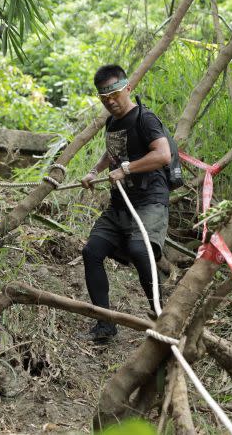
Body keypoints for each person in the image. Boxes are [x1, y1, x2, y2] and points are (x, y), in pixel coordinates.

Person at [80, 64, 171, 342]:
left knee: (139, 249)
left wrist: (128, 169)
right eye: (105, 98)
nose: (111, 102)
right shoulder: (112, 122)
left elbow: (163, 155)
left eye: (115, 95)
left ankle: (163, 318)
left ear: (128, 88)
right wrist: (95, 171)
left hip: (149, 201)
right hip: (120, 204)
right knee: (92, 251)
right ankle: (105, 324)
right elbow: (113, 152)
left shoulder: (145, 119)